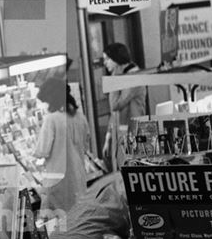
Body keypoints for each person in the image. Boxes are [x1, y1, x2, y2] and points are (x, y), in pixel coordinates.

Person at [33, 78, 89, 215]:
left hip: (57, 183)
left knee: (56, 227)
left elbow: (41, 151)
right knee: (77, 221)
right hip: (79, 179)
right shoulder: (80, 117)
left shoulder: (51, 119)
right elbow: (86, 146)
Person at [101, 42, 146, 171]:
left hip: (133, 135)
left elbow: (115, 105)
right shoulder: (123, 76)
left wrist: (113, 79)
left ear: (116, 59)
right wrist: (108, 136)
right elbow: (115, 112)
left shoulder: (133, 77)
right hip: (123, 134)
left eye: (107, 59)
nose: (105, 63)